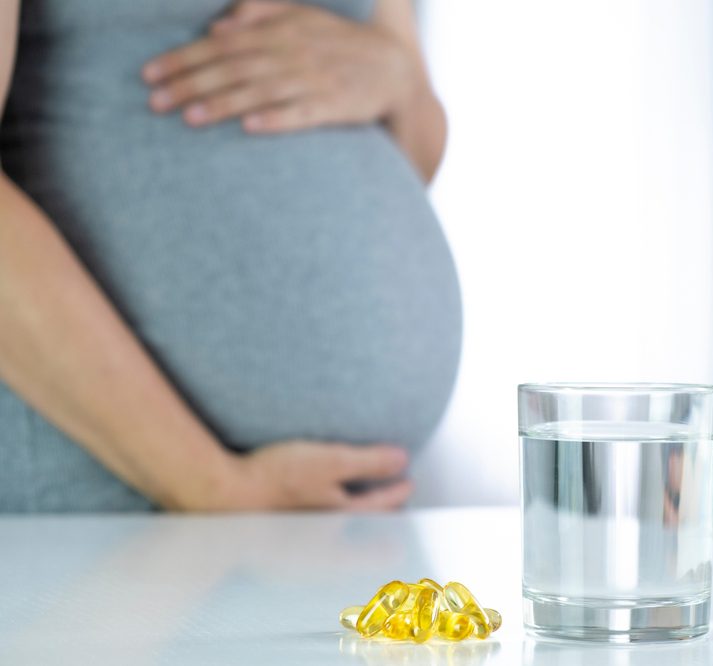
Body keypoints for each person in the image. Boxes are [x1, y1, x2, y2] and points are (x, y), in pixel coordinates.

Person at [0, 0, 462, 512]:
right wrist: (212, 484)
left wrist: (398, 78)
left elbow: (418, 149)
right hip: (105, 481)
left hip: (350, 502)